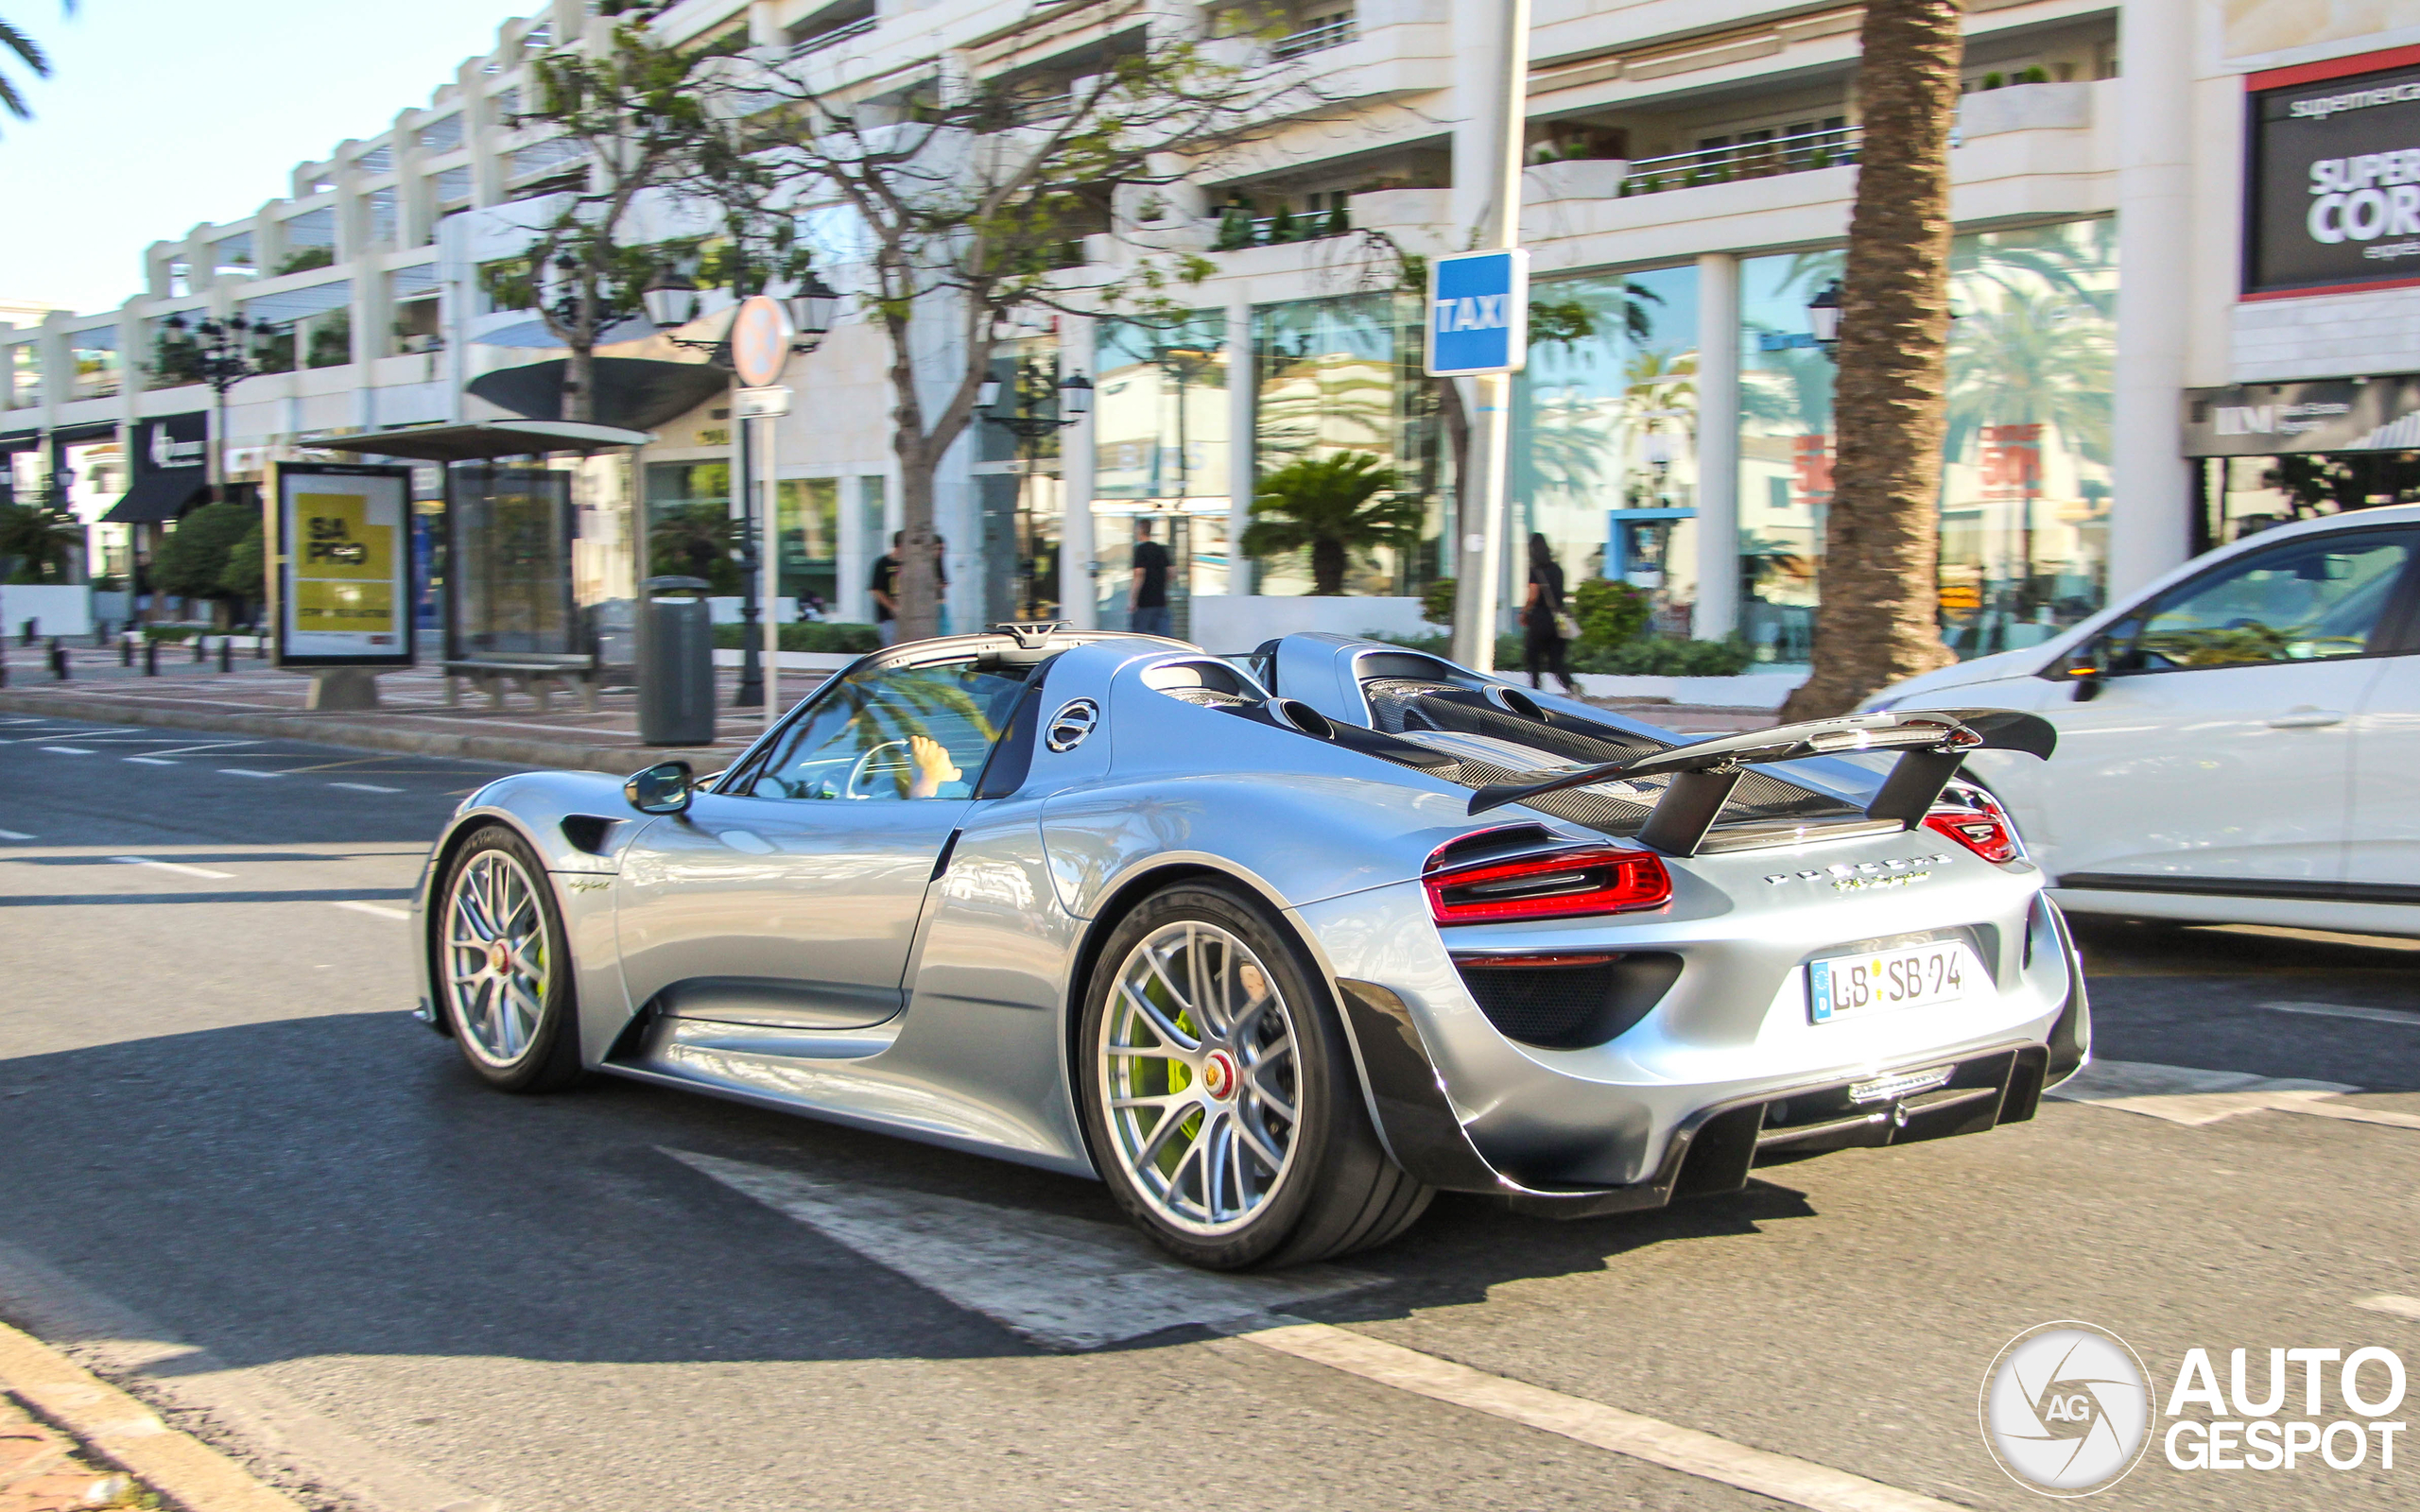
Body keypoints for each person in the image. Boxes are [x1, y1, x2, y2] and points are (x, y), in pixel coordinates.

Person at [1523, 532, 1582, 696]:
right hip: (1558, 620)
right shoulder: (1558, 570)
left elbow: (1533, 596)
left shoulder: (1535, 571)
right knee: (1556, 661)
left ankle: (1535, 691)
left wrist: (1524, 612)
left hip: (1540, 620)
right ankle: (1572, 686)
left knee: (1533, 657)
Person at [1130, 518, 1172, 637]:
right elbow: (1171, 571)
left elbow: (1139, 574)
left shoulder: (1140, 550)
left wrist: (1133, 600)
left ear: (1140, 530)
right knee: (1163, 638)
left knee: (1140, 638)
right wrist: (1163, 587)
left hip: (1144, 603)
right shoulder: (1160, 549)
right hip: (1161, 602)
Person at [869, 531, 903, 644]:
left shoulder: (911, 564)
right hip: (888, 617)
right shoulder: (882, 563)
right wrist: (893, 607)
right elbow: (876, 590)